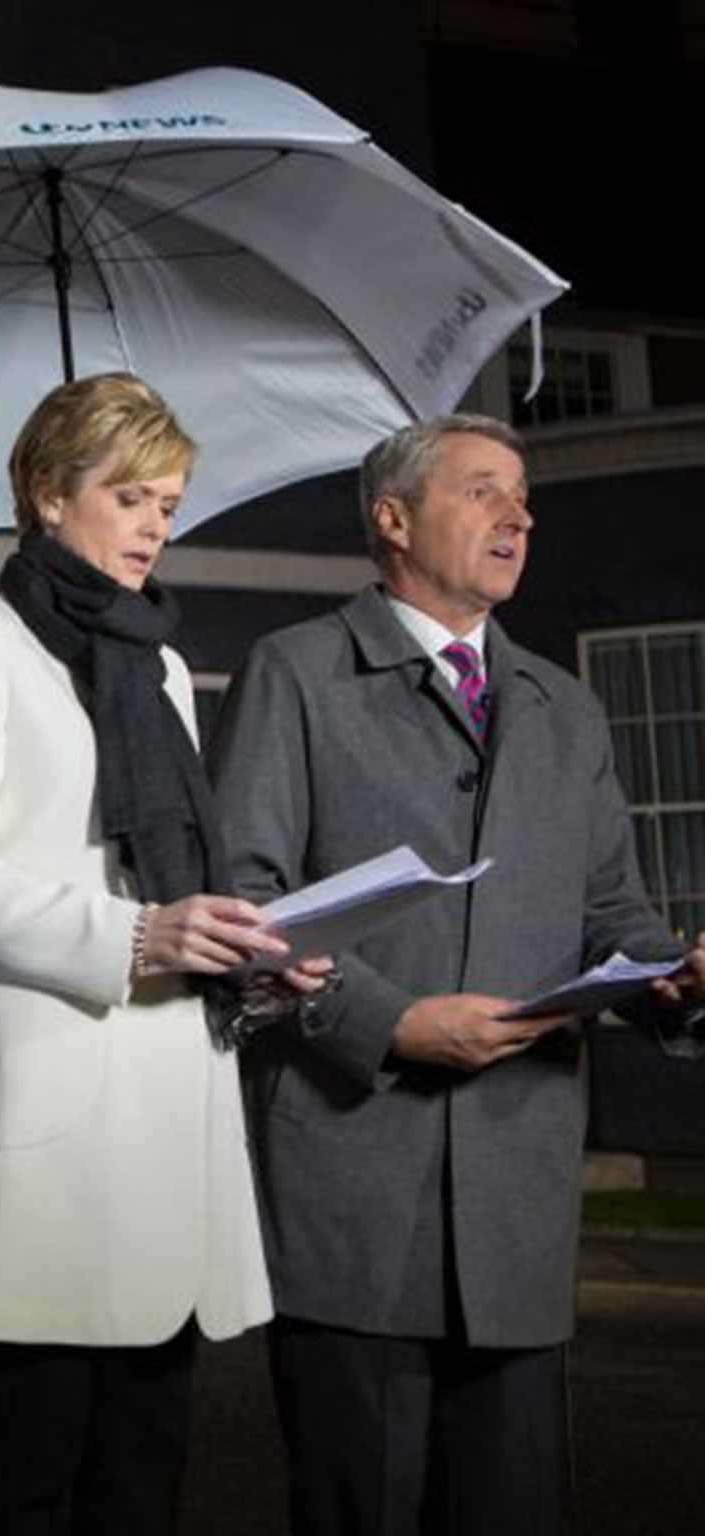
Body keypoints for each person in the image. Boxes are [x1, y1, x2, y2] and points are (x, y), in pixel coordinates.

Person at [207, 413, 705, 1536]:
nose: (517, 516)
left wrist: (673, 975)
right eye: (483, 491)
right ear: (391, 520)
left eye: (522, 497)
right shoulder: (293, 674)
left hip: (515, 1199)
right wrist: (386, 1023)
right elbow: (247, 910)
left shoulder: (561, 709)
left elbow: (606, 914)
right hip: (349, 1187)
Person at [0, 372, 315, 1536]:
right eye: (128, 497)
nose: (152, 527)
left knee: (144, 1471)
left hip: (174, 1095)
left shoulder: (163, 666)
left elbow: (179, 877)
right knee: (31, 1470)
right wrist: (130, 936)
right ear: (43, 494)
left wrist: (253, 956)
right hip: (59, 1105)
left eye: (169, 504)